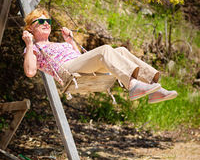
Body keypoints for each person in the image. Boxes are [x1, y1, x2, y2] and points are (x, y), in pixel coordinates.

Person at [22, 8, 177, 103]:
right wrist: (29, 44)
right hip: (66, 70)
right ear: (30, 28)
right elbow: (30, 72)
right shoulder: (34, 47)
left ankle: (155, 89)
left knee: (121, 51)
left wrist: (69, 40)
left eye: (47, 20)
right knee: (105, 50)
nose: (46, 23)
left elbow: (77, 56)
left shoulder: (57, 43)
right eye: (40, 21)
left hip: (78, 64)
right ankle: (132, 86)